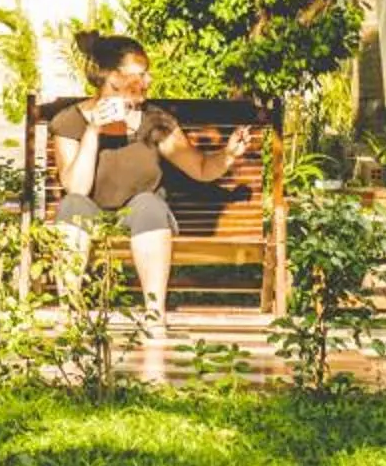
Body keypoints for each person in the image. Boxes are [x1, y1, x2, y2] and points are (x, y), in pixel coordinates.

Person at [47, 34, 255, 320]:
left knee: (149, 204)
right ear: (113, 78)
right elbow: (77, 188)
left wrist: (228, 155)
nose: (149, 81)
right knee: (72, 206)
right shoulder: (70, 121)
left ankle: (155, 317)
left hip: (140, 217)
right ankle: (69, 315)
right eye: (141, 74)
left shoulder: (155, 121)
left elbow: (202, 169)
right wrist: (93, 132)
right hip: (91, 213)